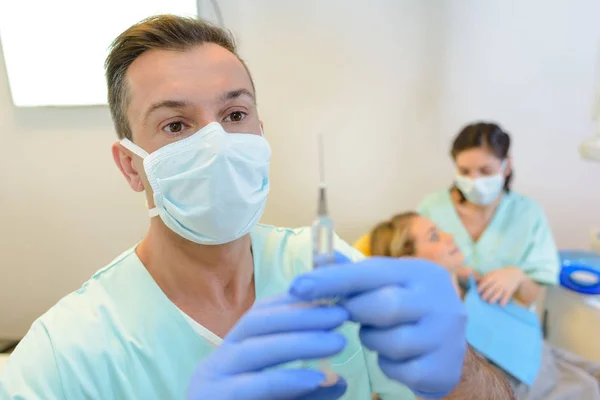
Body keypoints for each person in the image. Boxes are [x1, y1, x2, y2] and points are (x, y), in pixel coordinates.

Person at [0, 16, 514, 400]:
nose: (216, 143)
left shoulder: (327, 269)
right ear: (131, 166)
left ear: (260, 135)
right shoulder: (64, 353)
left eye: (234, 114)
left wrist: (463, 367)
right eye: (176, 125)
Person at [370, 212, 600, 400]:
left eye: (440, 230)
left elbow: (533, 342)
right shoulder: (429, 332)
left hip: (557, 365)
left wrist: (517, 276)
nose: (449, 236)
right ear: (410, 261)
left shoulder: (477, 287)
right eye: (434, 237)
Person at [418, 122, 559, 306]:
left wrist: (517, 277)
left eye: (485, 171)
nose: (474, 181)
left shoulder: (528, 214)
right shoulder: (432, 208)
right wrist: (448, 273)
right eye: (464, 171)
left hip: (504, 325)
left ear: (506, 166)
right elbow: (411, 268)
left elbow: (532, 293)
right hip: (443, 318)